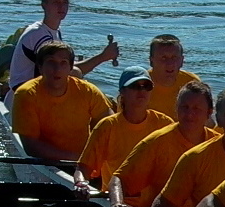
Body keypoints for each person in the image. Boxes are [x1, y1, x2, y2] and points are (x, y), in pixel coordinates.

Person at [108, 80, 216, 207]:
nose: (189, 114)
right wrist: (117, 203)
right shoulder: (156, 141)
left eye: (196, 109)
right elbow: (118, 179)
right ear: (176, 109)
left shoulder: (219, 143)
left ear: (209, 112)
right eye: (184, 107)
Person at [6, 0, 120, 101]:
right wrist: (103, 57)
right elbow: (61, 72)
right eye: (56, 2)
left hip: (40, 92)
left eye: (65, 2)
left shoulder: (54, 31)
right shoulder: (38, 34)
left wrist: (102, 57)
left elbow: (62, 68)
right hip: (24, 98)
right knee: (76, 74)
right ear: (44, 5)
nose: (61, 7)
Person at [73, 66, 174, 195]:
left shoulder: (165, 124)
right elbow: (83, 168)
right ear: (122, 92)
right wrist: (81, 183)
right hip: (115, 202)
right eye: (135, 86)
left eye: (146, 86)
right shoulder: (107, 126)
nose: (141, 90)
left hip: (152, 204)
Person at [11, 42, 113, 161]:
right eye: (51, 62)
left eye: (63, 63)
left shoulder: (88, 91)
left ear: (71, 68)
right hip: (48, 161)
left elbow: (111, 126)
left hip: (84, 161)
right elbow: (31, 146)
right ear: (40, 67)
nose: (57, 69)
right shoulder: (26, 94)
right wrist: (76, 159)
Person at [147, 34, 201, 118]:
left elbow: (205, 119)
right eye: (163, 58)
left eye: (174, 57)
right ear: (151, 61)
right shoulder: (140, 85)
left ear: (182, 61)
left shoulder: (191, 83)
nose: (170, 63)